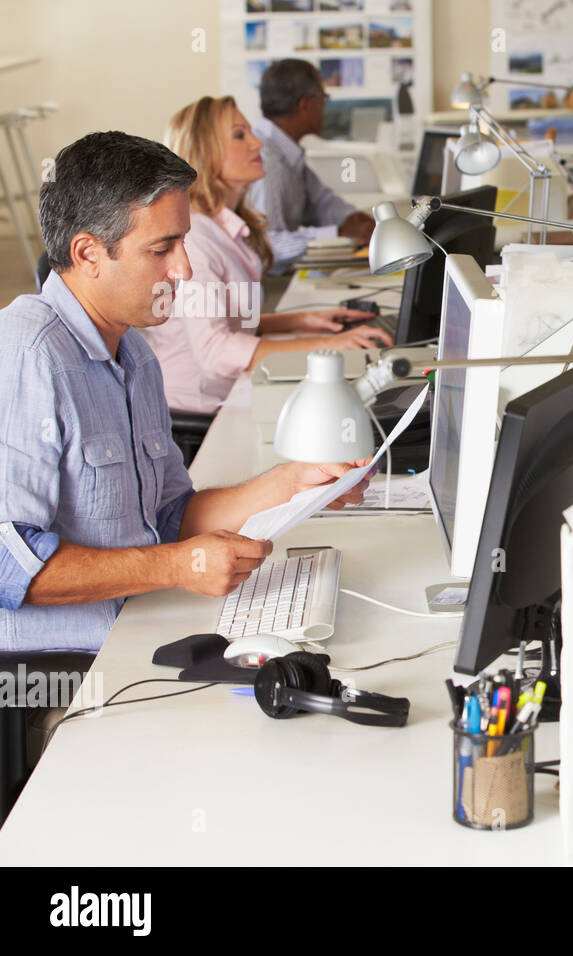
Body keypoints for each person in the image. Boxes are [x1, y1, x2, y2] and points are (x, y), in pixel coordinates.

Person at [0, 132, 370, 760]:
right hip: (55, 674)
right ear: (88, 252)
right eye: (162, 248)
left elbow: (170, 516)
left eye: (184, 243)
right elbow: (10, 565)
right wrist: (175, 567)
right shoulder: (28, 357)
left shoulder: (134, 352)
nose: (184, 269)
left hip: (133, 625)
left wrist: (289, 482)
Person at [142, 96, 390, 415]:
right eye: (239, 135)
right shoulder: (195, 238)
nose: (257, 143)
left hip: (230, 390)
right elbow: (215, 351)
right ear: (205, 152)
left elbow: (229, 319)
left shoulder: (224, 226)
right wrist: (329, 346)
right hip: (201, 411)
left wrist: (303, 321)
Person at [247, 59, 375, 272]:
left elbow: (321, 203)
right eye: (323, 98)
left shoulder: (286, 152)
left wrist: (356, 220)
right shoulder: (267, 162)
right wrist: (338, 234)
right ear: (305, 104)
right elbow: (267, 244)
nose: (325, 107)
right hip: (266, 285)